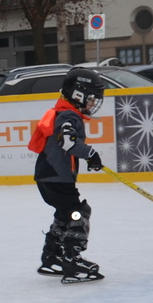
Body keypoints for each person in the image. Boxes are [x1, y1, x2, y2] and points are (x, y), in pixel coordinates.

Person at [28, 69, 106, 284]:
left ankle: (52, 256)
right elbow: (68, 142)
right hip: (56, 177)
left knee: (65, 214)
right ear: (78, 95)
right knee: (78, 214)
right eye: (91, 99)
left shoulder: (63, 112)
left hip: (49, 176)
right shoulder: (68, 115)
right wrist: (91, 154)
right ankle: (72, 260)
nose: (92, 104)